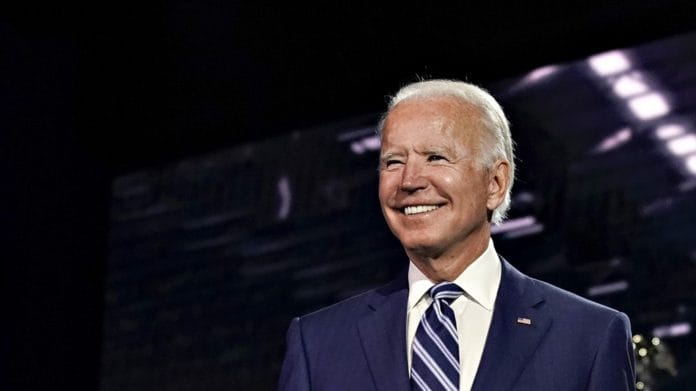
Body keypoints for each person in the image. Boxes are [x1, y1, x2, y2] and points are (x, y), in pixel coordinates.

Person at [278, 79, 635, 390]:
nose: (409, 181)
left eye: (435, 157)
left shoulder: (589, 336)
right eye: (393, 161)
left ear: (495, 184)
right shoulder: (319, 343)